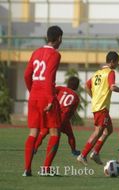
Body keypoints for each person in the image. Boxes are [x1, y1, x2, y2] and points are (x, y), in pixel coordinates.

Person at [23, 25, 63, 176]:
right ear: (59, 38)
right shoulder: (55, 55)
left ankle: (27, 169)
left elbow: (27, 75)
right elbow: (49, 78)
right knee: (54, 133)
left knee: (33, 132)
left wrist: (32, 91)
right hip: (47, 97)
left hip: (34, 96)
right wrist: (51, 99)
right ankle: (46, 169)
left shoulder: (36, 52)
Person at [77, 51, 119, 165]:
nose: (117, 65)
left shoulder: (97, 73)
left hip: (98, 106)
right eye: (117, 62)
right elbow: (113, 87)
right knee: (98, 131)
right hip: (102, 107)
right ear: (112, 62)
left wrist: (94, 97)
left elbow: (87, 85)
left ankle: (95, 153)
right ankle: (83, 155)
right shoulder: (110, 72)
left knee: (108, 130)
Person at [34, 76, 81, 156]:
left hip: (53, 114)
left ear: (67, 83)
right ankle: (73, 151)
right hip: (63, 118)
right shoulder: (76, 97)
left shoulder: (60, 88)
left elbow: (50, 93)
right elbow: (72, 112)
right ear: (77, 86)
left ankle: (34, 149)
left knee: (44, 132)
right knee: (70, 135)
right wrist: (66, 120)